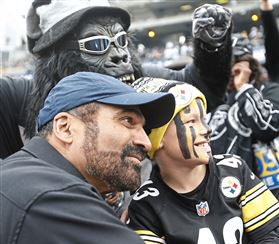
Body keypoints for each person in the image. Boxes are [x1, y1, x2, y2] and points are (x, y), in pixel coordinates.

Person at [1, 71, 279, 244]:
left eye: (145, 128)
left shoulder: (27, 178)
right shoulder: (54, 199)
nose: (145, 141)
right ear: (66, 127)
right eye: (127, 121)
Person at [0, 0, 233, 159]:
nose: (120, 55)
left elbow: (201, 88)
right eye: (96, 44)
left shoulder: (140, 82)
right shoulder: (20, 99)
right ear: (55, 58)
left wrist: (211, 49)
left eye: (121, 40)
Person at [127, 77, 279, 244]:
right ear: (157, 139)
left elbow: (266, 237)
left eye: (203, 119)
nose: (206, 129)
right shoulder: (146, 204)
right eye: (191, 121)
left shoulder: (234, 168)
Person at [208, 35, 279, 194]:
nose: (229, 70)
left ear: (250, 65)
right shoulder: (213, 100)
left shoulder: (268, 90)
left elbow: (269, 127)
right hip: (227, 192)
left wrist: (243, 88)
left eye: (234, 62)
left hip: (270, 193)